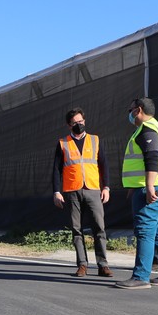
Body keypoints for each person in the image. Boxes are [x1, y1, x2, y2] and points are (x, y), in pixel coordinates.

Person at [115, 97, 158, 289]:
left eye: (131, 110)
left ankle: (141, 276)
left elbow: (152, 158)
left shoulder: (147, 130)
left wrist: (149, 186)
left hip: (152, 189)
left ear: (139, 110)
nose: (129, 114)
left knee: (145, 231)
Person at [52, 107, 113, 277]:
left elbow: (104, 165)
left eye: (80, 122)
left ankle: (103, 264)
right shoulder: (63, 143)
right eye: (74, 123)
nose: (78, 125)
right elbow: (56, 169)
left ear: (84, 121)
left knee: (99, 227)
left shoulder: (95, 140)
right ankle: (82, 265)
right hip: (72, 191)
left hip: (93, 189)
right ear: (68, 125)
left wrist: (106, 187)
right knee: (76, 229)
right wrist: (57, 192)